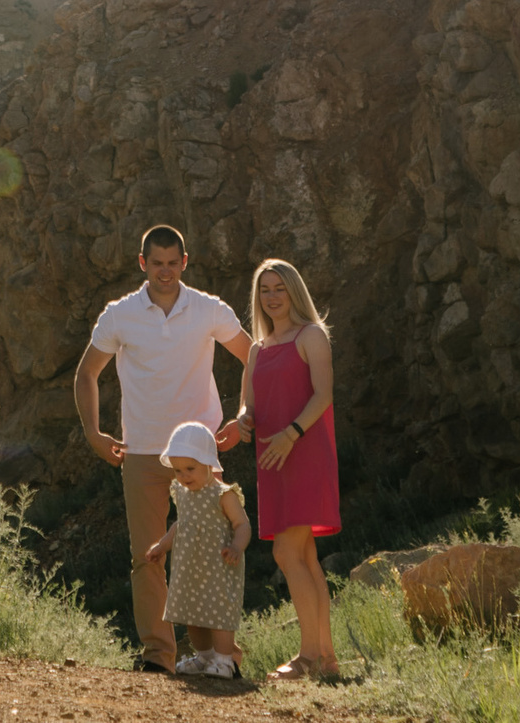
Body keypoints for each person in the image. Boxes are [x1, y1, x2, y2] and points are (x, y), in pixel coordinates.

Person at [74, 223, 250, 675]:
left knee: (208, 553)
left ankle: (216, 658)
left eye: (174, 263)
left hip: (199, 454)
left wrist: (243, 416)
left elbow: (255, 357)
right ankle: (158, 658)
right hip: (142, 451)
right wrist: (94, 433)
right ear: (142, 264)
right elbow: (86, 373)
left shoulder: (209, 309)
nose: (166, 272)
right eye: (157, 264)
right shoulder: (119, 314)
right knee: (147, 555)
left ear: (184, 263)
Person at [236, 257, 339, 681]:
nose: (272, 297)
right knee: (306, 558)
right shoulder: (257, 349)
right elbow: (248, 403)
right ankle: (327, 660)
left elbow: (323, 395)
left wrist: (291, 433)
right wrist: (243, 420)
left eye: (279, 288)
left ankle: (308, 658)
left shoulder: (311, 336)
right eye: (265, 290)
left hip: (304, 451)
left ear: (294, 291)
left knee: (285, 552)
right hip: (271, 460)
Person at [142, 422, 249, 679]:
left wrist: (236, 546)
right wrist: (163, 544)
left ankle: (226, 661)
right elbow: (182, 524)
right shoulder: (182, 492)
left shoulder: (223, 494)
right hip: (190, 567)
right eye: (178, 470)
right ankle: (205, 657)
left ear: (209, 463)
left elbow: (242, 524)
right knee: (192, 614)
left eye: (190, 468)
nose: (184, 475)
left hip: (219, 567)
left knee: (219, 613)